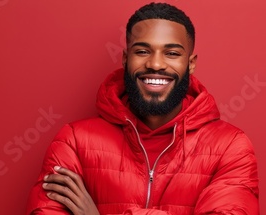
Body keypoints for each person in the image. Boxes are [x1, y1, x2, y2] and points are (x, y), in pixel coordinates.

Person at [25, 2, 259, 215]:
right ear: (126, 59)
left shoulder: (230, 147)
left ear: (191, 63)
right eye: (143, 51)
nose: (155, 64)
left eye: (172, 53)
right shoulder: (73, 142)